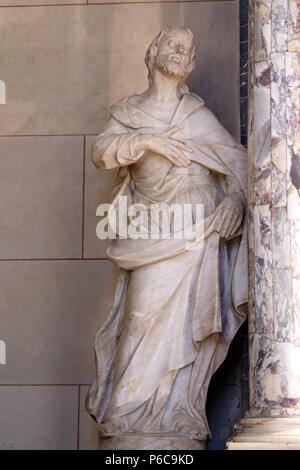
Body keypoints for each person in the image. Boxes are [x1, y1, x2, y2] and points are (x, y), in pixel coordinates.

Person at [86, 25, 247, 450]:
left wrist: (234, 200)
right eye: (172, 44)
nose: (179, 51)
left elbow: (242, 167)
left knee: (185, 330)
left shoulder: (196, 116)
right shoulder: (129, 112)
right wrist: (149, 140)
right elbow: (102, 152)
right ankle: (126, 418)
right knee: (139, 321)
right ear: (153, 52)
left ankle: (176, 414)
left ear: (191, 64)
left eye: (187, 49)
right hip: (151, 232)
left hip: (198, 234)